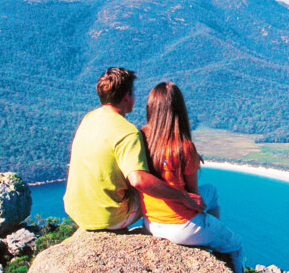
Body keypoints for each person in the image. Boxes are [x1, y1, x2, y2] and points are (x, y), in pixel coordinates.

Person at [63, 68, 204, 231]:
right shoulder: (127, 132)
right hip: (109, 217)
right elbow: (138, 180)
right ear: (126, 97)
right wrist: (183, 197)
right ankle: (185, 228)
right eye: (133, 93)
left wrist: (187, 153)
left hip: (76, 210)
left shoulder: (89, 118)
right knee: (159, 191)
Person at [140, 82, 244, 273]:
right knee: (237, 244)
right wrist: (192, 160)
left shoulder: (140, 138)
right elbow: (194, 198)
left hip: (150, 222)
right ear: (179, 109)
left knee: (211, 190)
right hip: (181, 227)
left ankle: (206, 237)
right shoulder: (184, 147)